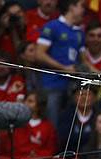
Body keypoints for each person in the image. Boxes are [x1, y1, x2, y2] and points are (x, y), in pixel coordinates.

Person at [36, 0, 85, 129]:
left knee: (68, 128)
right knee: (52, 126)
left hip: (72, 87)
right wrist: (64, 68)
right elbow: (39, 54)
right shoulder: (52, 26)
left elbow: (85, 62)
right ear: (72, 7)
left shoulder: (79, 33)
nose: (83, 10)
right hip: (52, 85)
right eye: (81, 6)